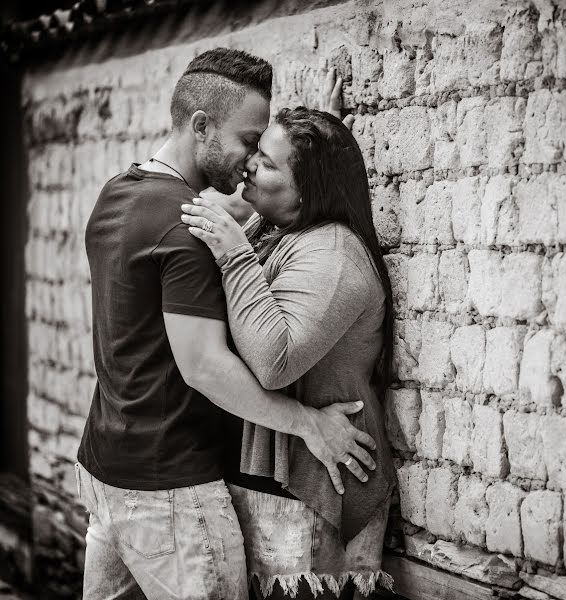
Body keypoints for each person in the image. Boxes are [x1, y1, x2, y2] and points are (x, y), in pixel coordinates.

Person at [75, 48, 376, 600]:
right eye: (249, 141)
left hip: (102, 470)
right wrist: (310, 423)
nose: (251, 159)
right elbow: (207, 368)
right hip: (170, 491)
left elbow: (261, 208)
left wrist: (322, 152)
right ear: (201, 126)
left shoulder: (119, 192)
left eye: (264, 149)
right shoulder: (188, 226)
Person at [180, 107, 397, 600]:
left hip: (317, 490)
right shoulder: (278, 229)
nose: (251, 165)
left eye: (268, 163)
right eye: (255, 151)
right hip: (268, 476)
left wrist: (234, 257)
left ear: (307, 191)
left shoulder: (335, 252)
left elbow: (274, 362)